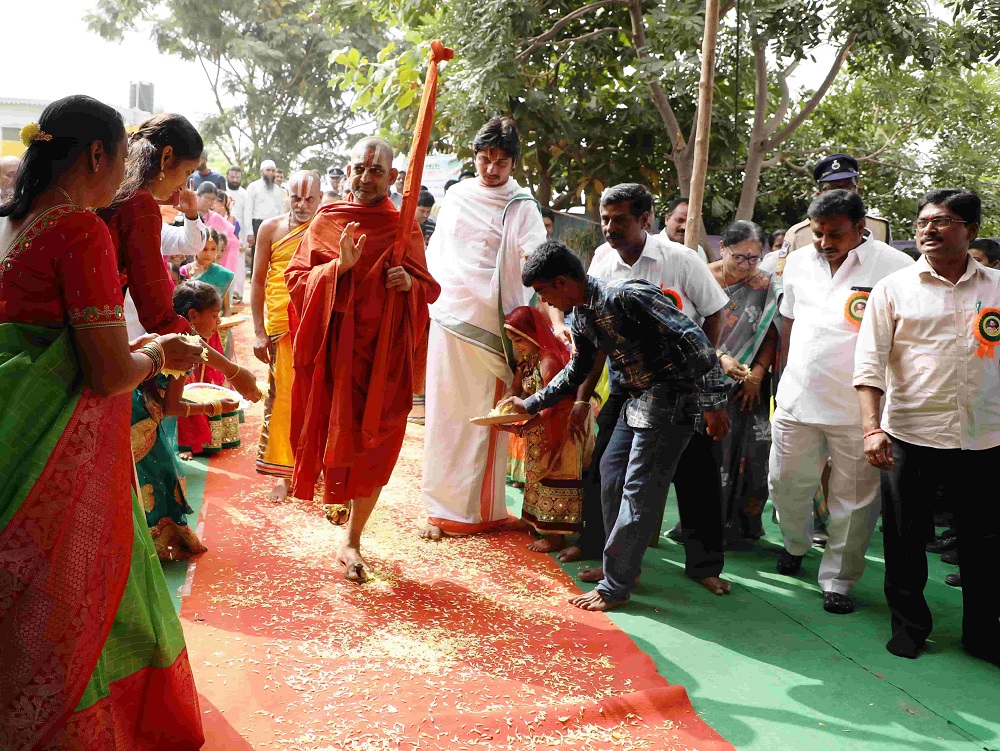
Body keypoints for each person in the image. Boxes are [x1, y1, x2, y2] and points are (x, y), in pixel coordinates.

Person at [0, 94, 205, 748]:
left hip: (14, 428)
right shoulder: (79, 228)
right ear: (97, 154)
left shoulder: (16, 222)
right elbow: (109, 372)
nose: (127, 173)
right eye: (122, 158)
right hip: (55, 453)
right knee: (65, 595)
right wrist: (158, 351)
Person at [504, 241, 729, 611]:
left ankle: (616, 586)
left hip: (672, 397)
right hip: (633, 398)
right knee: (609, 476)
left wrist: (714, 404)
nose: (545, 302)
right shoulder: (581, 315)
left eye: (543, 293)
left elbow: (697, 344)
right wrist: (528, 404)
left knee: (639, 492)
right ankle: (623, 566)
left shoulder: (625, 296)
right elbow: (577, 370)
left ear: (561, 283)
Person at [285, 136, 440, 582]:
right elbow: (296, 281)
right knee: (339, 432)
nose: (365, 177)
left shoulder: (403, 225)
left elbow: (428, 287)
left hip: (385, 356)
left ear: (393, 178)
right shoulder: (328, 219)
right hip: (338, 355)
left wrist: (407, 284)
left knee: (378, 443)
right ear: (347, 171)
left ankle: (353, 537)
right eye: (358, 168)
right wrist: (338, 269)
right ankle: (341, 515)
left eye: (376, 171)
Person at [855, 189, 1000, 665]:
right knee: (905, 536)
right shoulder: (894, 288)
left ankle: (982, 634)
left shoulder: (996, 288)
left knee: (983, 544)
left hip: (985, 437)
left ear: (971, 230)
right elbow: (869, 365)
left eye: (942, 221)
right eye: (922, 222)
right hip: (911, 434)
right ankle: (909, 628)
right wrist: (872, 429)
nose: (928, 230)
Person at [566, 184, 731, 599]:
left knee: (696, 476)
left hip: (681, 384)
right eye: (605, 219)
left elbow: (713, 314)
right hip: (626, 382)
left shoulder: (680, 259)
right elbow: (593, 338)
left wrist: (702, 379)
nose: (609, 228)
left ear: (645, 220)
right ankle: (613, 562)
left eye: (620, 219)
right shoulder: (602, 262)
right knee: (607, 469)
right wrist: (583, 396)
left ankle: (704, 566)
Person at [769, 189, 913, 614]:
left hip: (858, 407)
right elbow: (788, 323)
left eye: (835, 233)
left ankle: (838, 580)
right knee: (785, 484)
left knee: (853, 500)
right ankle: (795, 544)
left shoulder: (895, 267)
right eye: (818, 233)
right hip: (797, 397)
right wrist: (781, 379)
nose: (825, 242)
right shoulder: (796, 262)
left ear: (861, 227)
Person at [420, 116, 549, 539]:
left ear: (513, 164)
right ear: (475, 157)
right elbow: (438, 254)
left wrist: (553, 318)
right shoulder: (456, 195)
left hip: (493, 328)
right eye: (485, 159)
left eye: (501, 162)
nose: (491, 169)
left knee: (484, 417)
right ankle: (442, 508)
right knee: (444, 414)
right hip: (448, 315)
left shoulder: (522, 206)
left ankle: (481, 510)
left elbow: (536, 261)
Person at [101, 113, 261, 404]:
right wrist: (232, 370)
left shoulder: (115, 194)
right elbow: (161, 317)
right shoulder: (139, 204)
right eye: (187, 173)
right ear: (166, 157)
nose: (184, 186)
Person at [499, 305, 595, 551]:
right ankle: (531, 520)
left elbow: (550, 407)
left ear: (533, 334)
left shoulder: (549, 361)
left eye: (519, 340)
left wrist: (522, 429)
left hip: (561, 426)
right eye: (512, 341)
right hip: (539, 425)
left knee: (555, 474)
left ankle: (555, 536)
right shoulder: (527, 360)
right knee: (536, 474)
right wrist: (503, 404)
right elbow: (516, 388)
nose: (517, 346)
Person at [251, 170, 322, 501]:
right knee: (283, 399)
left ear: (320, 199)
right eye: (296, 197)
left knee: (319, 396)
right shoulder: (271, 228)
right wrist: (258, 331)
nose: (303, 204)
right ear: (286, 196)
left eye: (310, 198)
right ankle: (283, 472)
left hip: (317, 323)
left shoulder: (326, 228)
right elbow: (257, 281)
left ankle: (314, 466)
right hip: (281, 325)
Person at [709, 221, 779, 546]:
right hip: (709, 380)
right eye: (740, 257)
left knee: (754, 454)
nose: (748, 266)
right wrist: (721, 357)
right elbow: (691, 329)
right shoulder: (704, 279)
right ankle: (704, 528)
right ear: (723, 247)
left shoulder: (765, 283)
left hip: (752, 385)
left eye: (755, 258)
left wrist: (758, 373)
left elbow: (771, 331)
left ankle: (746, 527)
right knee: (712, 456)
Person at [762, 153, 892, 275]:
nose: (840, 194)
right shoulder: (798, 234)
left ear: (858, 191)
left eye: (847, 187)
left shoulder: (880, 228)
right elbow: (783, 279)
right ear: (819, 195)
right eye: (831, 188)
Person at [175, 280, 242, 458]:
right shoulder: (179, 352)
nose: (218, 322)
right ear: (193, 315)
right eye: (214, 316)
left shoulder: (186, 343)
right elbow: (172, 407)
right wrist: (214, 406)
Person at [180, 227, 234, 313]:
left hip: (215, 321)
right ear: (196, 247)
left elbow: (226, 308)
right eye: (204, 249)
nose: (208, 254)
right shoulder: (185, 271)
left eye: (213, 249)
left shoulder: (223, 274)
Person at [196, 181, 240, 277]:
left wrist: (227, 267)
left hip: (212, 264)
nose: (209, 202)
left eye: (213, 200)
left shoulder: (216, 219)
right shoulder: (186, 214)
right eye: (207, 198)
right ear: (198, 195)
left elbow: (233, 243)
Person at [246, 158, 286, 252]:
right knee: (257, 255)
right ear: (261, 172)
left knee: (273, 254)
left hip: (274, 226)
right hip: (257, 225)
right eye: (268, 170)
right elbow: (248, 211)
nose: (271, 173)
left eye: (273, 171)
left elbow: (280, 211)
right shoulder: (253, 187)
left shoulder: (278, 190)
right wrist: (249, 232)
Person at [225, 164, 251, 298]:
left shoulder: (244, 194)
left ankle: (237, 293)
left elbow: (247, 217)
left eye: (237, 176)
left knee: (239, 264)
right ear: (227, 176)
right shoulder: (222, 190)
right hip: (223, 232)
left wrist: (245, 238)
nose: (235, 179)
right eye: (232, 176)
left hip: (239, 234)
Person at [660, 197, 709, 263]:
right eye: (680, 220)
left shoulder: (698, 251)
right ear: (667, 219)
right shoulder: (651, 246)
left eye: (690, 223)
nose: (684, 227)